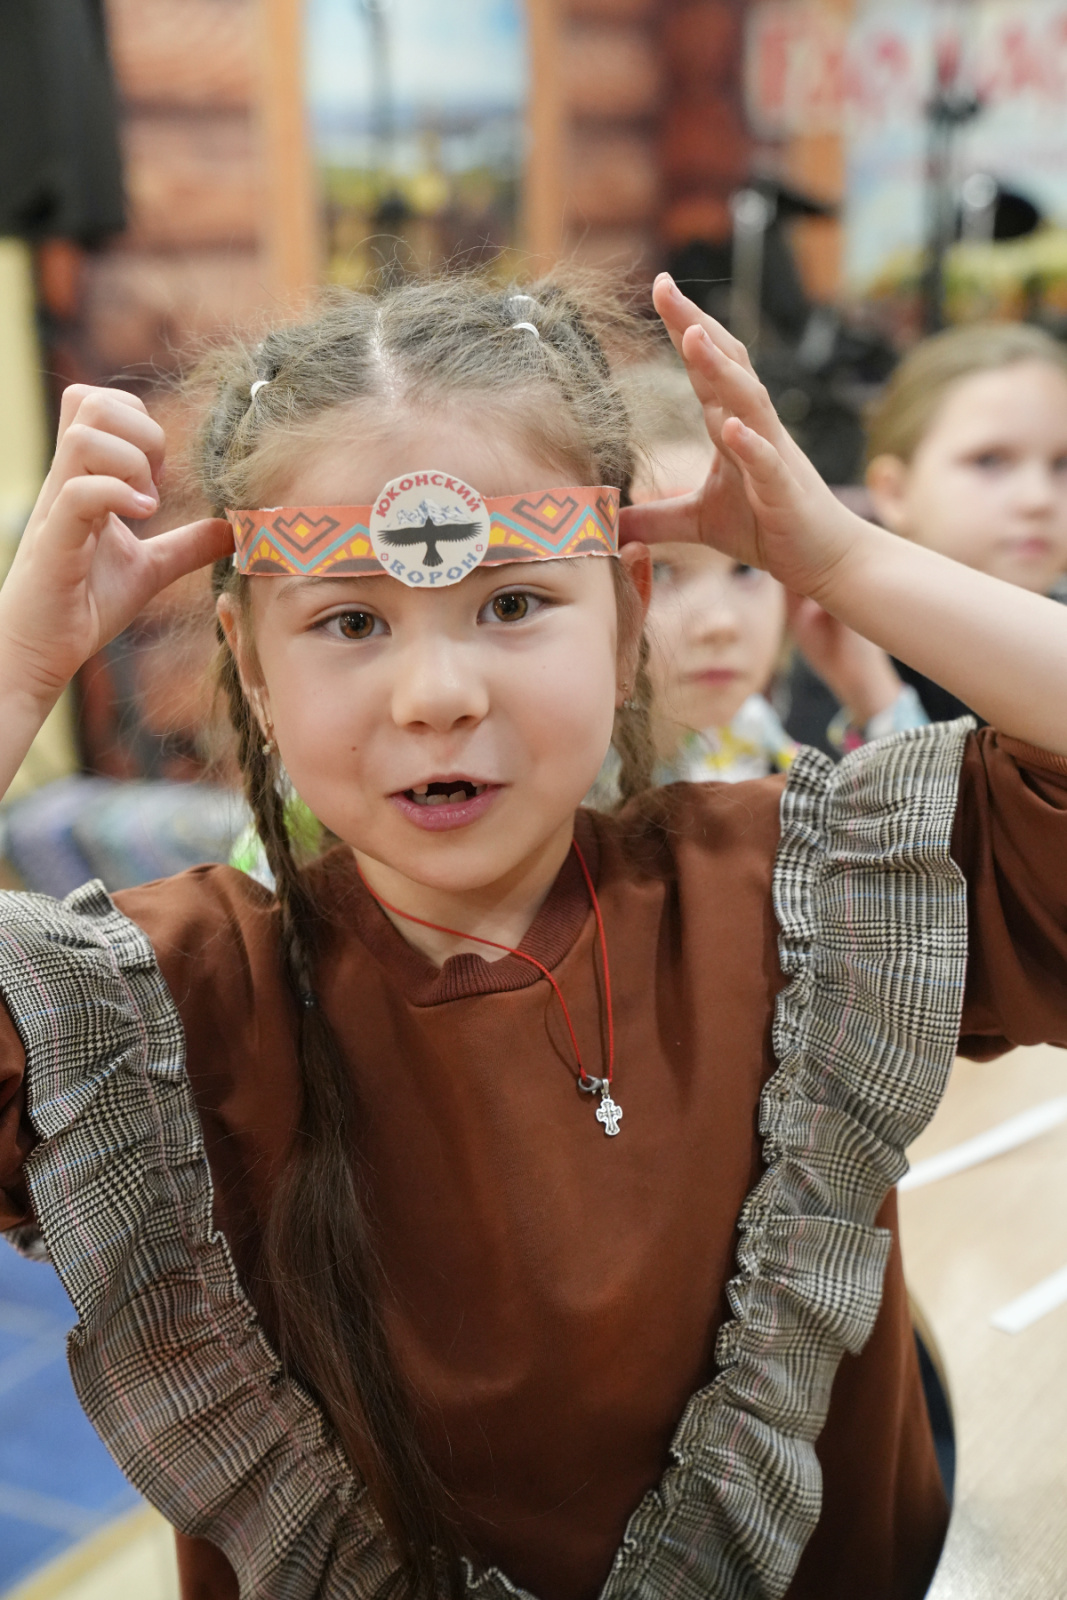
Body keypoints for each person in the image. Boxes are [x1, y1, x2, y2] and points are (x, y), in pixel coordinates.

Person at [1, 274, 1067, 1600]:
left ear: (626, 619)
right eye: (349, 621)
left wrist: (845, 563)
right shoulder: (174, 1014)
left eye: (510, 604)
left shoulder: (798, 896)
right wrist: (19, 667)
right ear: (254, 667)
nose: (438, 693)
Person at [585, 361, 923, 806]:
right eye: (661, 570)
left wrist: (872, 693)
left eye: (746, 568)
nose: (721, 624)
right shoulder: (556, 781)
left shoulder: (752, 735)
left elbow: (932, 841)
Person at [791, 321, 1067, 741]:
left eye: (1062, 464)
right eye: (990, 460)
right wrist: (876, 702)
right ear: (895, 492)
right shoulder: (847, 640)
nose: (1039, 498)